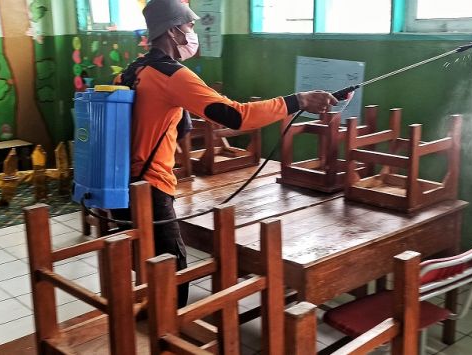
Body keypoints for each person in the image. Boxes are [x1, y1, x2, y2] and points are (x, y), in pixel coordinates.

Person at [111, 0, 338, 307]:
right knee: (172, 274)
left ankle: (149, 325)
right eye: (190, 26)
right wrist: (298, 100)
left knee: (145, 263)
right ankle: (164, 338)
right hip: (150, 187)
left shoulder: (131, 71)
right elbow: (236, 116)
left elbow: (163, 124)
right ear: (174, 30)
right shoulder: (172, 74)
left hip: (119, 185)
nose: (193, 32)